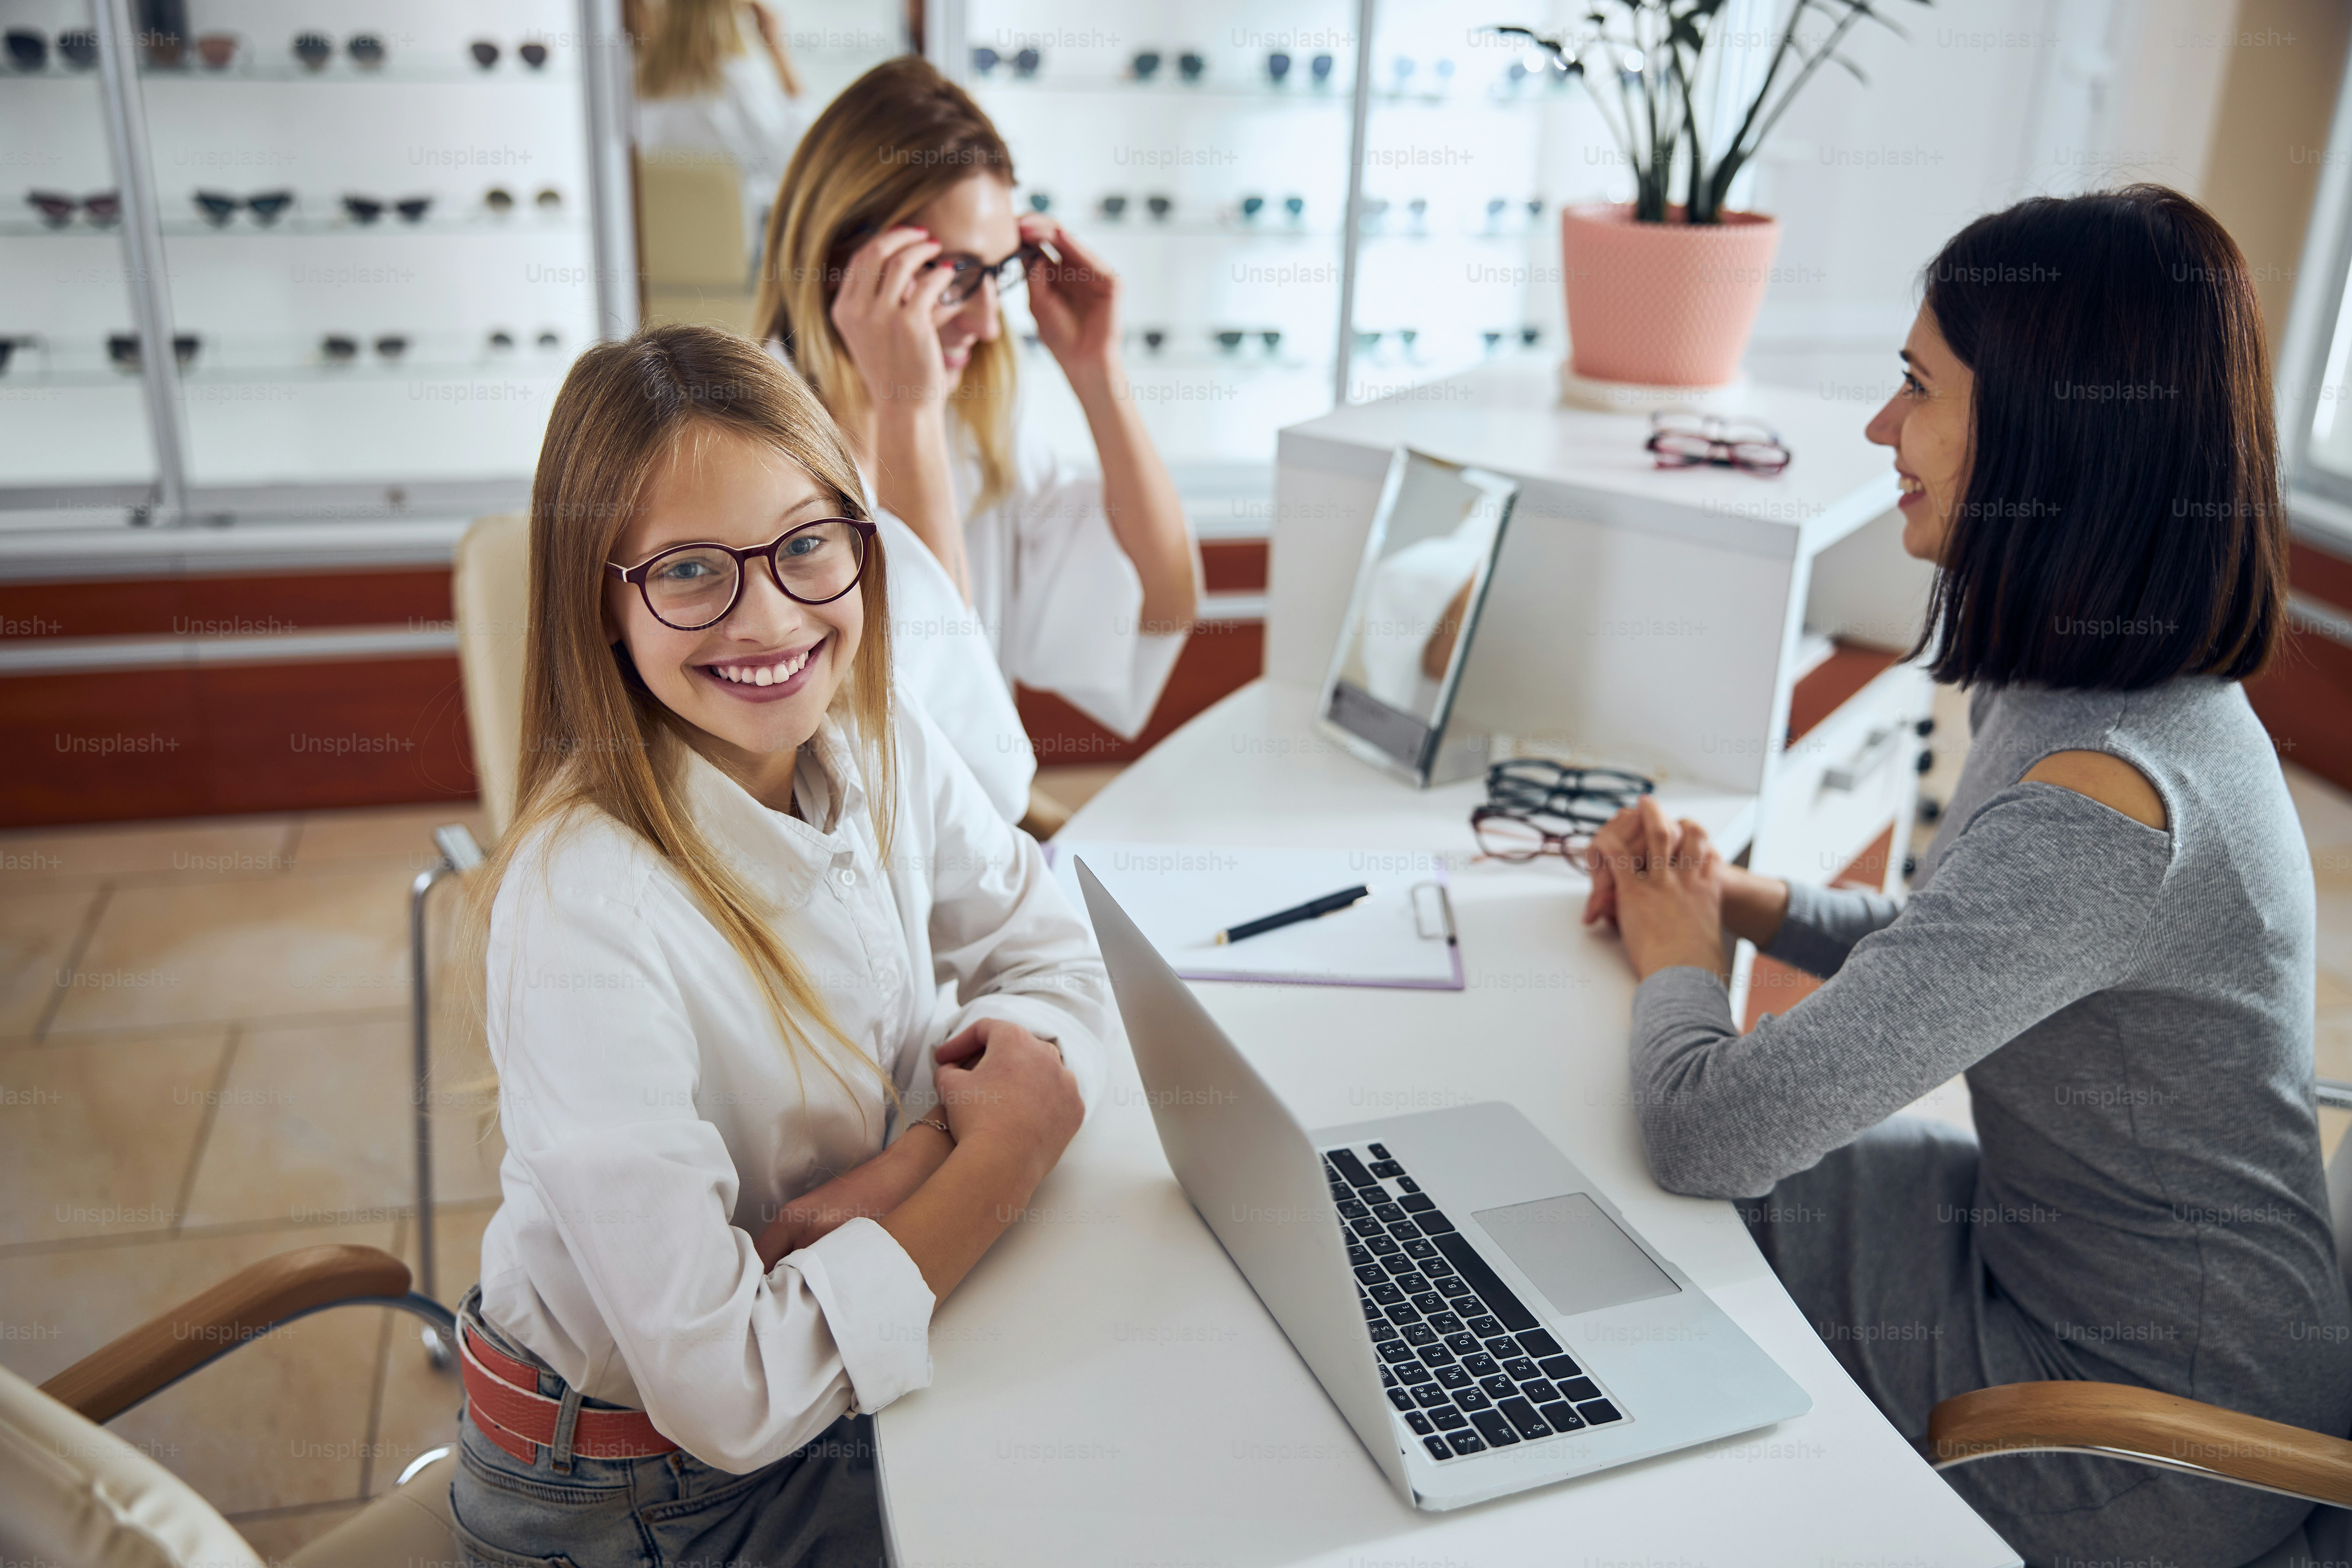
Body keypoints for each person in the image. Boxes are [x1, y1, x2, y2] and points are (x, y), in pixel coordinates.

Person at [1583, 184, 2352, 1564]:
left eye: (1917, 387)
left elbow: (1709, 1127)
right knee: (1627, 1183)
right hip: (2068, 1260)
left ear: (2052, 439)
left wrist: (1680, 961)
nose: (1883, 428)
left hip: (2140, 1426)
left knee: (1654, 1202)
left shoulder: (2108, 798)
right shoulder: (2093, 683)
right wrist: (1737, 901)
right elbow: (1966, 937)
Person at [447, 324, 1104, 1567]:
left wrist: (912, 1164)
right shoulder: (580, 905)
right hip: (638, 1499)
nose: (771, 620)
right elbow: (730, 1390)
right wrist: (1000, 1156)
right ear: (602, 601)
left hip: (809, 1379)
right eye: (692, 570)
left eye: (807, 546)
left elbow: (1058, 960)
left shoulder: (874, 732)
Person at [752, 56, 1199, 820]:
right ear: (844, 264)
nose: (990, 323)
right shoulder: (753, 455)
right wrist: (908, 411)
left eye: (999, 273)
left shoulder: (970, 428)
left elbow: (1165, 602)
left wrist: (1098, 374)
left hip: (967, 848)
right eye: (953, 275)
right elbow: (933, 729)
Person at [631, 0, 806, 264]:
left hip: (656, 264)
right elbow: (796, 162)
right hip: (729, 264)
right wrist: (777, 49)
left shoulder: (640, 82)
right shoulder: (740, 81)